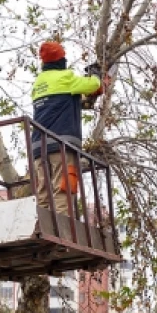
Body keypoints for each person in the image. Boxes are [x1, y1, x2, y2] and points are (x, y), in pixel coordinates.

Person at [30, 41, 103, 216]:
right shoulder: (65, 77)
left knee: (44, 191)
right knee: (63, 188)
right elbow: (93, 85)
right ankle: (62, 232)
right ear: (61, 61)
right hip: (61, 145)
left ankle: (44, 227)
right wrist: (95, 74)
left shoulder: (38, 83)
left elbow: (59, 100)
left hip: (38, 147)